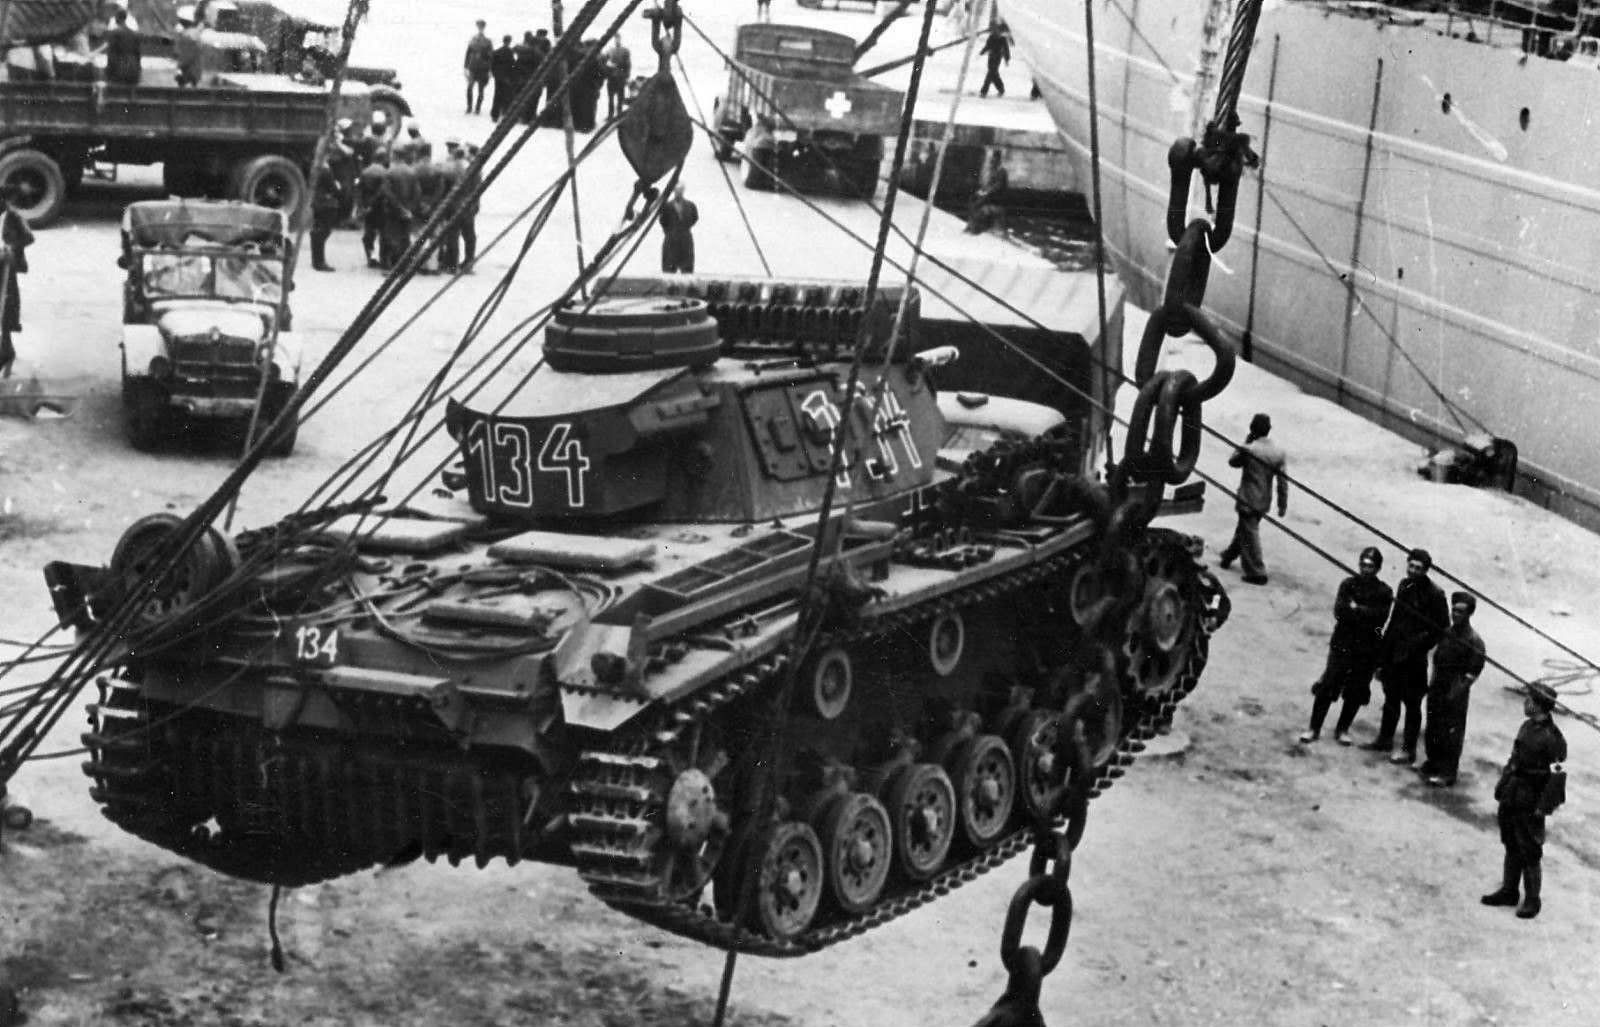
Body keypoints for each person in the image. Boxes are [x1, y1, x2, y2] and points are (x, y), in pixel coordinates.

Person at [1481, 680, 1566, 919]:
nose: (1524, 703)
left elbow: (1558, 776)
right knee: (1510, 843)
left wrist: (1544, 806)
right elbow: (1514, 758)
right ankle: (1509, 891)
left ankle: (1532, 900)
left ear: (1539, 706)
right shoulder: (1526, 726)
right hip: (1513, 792)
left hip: (1532, 797)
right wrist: (1503, 783)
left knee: (1529, 850)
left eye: (1528, 700)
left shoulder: (1554, 739)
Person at [1364, 547, 1449, 764]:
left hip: (1414, 660)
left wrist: (1418, 645)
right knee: (1391, 699)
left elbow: (1441, 629)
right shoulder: (1404, 585)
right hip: (1395, 654)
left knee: (1412, 704)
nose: (1413, 571)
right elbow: (1395, 620)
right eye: (1410, 566)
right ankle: (1384, 739)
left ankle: (1407, 749)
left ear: (1426, 570)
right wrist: (1384, 655)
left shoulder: (1435, 595)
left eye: (1418, 568)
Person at [1300, 547, 1393, 745]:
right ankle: (1314, 728)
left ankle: (1343, 729)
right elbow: (1340, 612)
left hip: (1367, 649)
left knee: (1356, 690)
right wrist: (1364, 612)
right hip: (1342, 644)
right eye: (1364, 565)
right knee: (1328, 685)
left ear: (1378, 568)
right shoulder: (1348, 584)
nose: (1366, 569)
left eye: (1371, 566)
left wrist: (1356, 609)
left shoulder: (1384, 591)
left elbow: (1380, 619)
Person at [1417, 592, 1486, 786]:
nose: (1456, 614)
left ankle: (1447, 773)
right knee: (1433, 728)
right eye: (1454, 610)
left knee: (1451, 734)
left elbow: (1471, 674)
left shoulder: (1474, 641)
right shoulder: (1447, 632)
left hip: (1454, 694)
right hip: (1437, 688)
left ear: (1469, 614)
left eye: (1461, 611)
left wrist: (1453, 695)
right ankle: (1433, 763)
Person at [1217, 412, 1288, 585]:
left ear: (1252, 429)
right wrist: (1282, 504)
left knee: (1250, 533)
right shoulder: (1278, 452)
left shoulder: (1250, 449)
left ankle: (1257, 572)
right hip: (1264, 500)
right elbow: (1282, 482)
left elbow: (1233, 462)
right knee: (1245, 530)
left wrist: (1245, 442)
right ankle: (1228, 556)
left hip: (1248, 498)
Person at [0, 186, 34, 379]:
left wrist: (12, 247)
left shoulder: (12, 217)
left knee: (6, 304)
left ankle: (6, 345)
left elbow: (28, 237)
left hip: (5, 265)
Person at [382, 145, 422, 270]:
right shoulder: (412, 172)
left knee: (391, 236)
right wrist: (409, 209)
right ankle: (404, 265)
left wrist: (400, 209)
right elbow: (417, 193)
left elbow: (387, 193)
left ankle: (392, 265)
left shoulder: (390, 172)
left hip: (393, 211)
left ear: (394, 156)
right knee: (405, 237)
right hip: (408, 211)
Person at [357, 150, 391, 269]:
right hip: (380, 207)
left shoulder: (365, 171)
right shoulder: (385, 172)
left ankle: (370, 257)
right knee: (384, 234)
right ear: (384, 159)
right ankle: (383, 259)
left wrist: (363, 206)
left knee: (369, 234)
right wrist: (373, 204)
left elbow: (359, 191)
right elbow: (382, 191)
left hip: (368, 208)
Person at [309, 160, 343, 272]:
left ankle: (316, 261)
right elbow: (333, 188)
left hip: (317, 202)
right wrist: (338, 187)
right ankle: (320, 262)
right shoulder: (325, 170)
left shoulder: (315, 167)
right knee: (324, 232)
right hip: (326, 203)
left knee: (317, 232)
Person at [659, 183, 698, 273]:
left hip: (685, 239)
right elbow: (662, 221)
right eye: (676, 190)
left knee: (687, 267)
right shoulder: (667, 206)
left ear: (683, 191)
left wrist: (684, 227)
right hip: (671, 239)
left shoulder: (690, 205)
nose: (678, 192)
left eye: (680, 190)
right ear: (673, 191)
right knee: (669, 267)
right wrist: (670, 230)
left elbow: (694, 218)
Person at [102, 8, 142, 86]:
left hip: (119, 74)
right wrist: (138, 73)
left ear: (116, 18)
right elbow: (138, 55)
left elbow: (111, 56)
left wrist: (107, 74)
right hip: (133, 74)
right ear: (125, 18)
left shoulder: (114, 34)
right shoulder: (134, 34)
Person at [459, 143, 482, 272]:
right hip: (470, 204)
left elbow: (473, 189)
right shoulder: (473, 167)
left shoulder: (473, 168)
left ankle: (469, 261)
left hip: (468, 205)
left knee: (468, 233)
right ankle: (468, 260)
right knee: (468, 233)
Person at [464, 19, 493, 115]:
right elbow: (468, 53)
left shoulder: (488, 41)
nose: (480, 29)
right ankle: (469, 107)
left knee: (480, 90)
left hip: (482, 68)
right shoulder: (473, 39)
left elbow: (490, 56)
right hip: (473, 67)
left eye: (481, 27)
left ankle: (477, 108)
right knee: (470, 88)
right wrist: (466, 66)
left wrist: (489, 69)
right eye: (479, 27)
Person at [979, 22, 1010, 98]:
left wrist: (1007, 59)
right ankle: (1001, 89)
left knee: (990, 74)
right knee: (994, 74)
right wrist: (982, 52)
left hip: (997, 58)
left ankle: (984, 91)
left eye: (999, 31)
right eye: (996, 30)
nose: (997, 32)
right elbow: (987, 46)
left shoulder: (1003, 39)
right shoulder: (991, 37)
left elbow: (1006, 50)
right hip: (991, 57)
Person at [490, 34, 517, 120]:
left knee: (497, 95)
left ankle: (495, 114)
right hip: (506, 78)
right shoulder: (510, 52)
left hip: (498, 78)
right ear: (509, 41)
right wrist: (512, 77)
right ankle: (504, 113)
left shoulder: (497, 51)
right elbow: (512, 66)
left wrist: (495, 75)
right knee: (506, 95)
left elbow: (492, 65)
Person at [604, 36, 631, 119]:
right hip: (611, 78)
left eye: (618, 39)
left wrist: (626, 76)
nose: (617, 41)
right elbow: (605, 62)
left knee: (620, 98)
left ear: (620, 40)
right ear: (614, 40)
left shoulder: (625, 51)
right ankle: (610, 115)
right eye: (616, 39)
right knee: (611, 98)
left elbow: (628, 65)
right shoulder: (610, 50)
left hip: (620, 78)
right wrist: (607, 73)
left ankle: (619, 114)